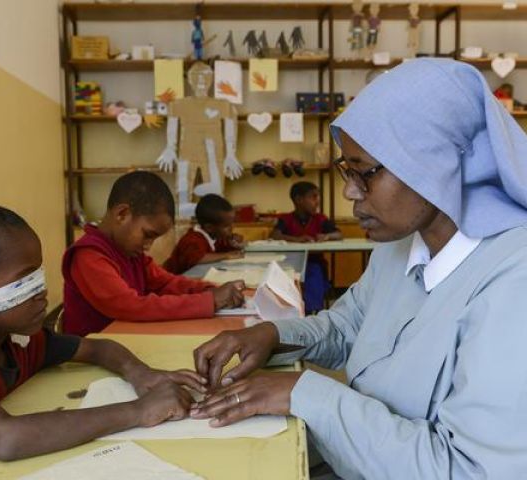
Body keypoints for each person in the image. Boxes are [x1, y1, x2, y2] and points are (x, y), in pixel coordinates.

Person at [190, 58, 527, 478]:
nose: (350, 191)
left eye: (365, 172)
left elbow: (466, 470)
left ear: (434, 163)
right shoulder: (401, 244)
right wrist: (273, 334)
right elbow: (348, 327)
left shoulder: (514, 283)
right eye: (346, 169)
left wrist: (306, 393)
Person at [0, 200, 206, 460]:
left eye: (38, 275)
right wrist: (138, 410)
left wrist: (142, 374)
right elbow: (5, 438)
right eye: (24, 281)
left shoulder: (16, 339)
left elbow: (99, 348)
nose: (42, 292)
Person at [62, 172, 245, 337]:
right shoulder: (88, 255)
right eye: (148, 235)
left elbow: (167, 283)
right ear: (122, 214)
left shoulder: (132, 253)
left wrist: (210, 289)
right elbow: (130, 306)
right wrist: (208, 301)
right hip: (91, 360)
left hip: (127, 341)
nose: (148, 246)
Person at [271, 181, 342, 313]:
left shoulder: (320, 219)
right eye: (313, 197)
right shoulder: (286, 219)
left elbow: (338, 234)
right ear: (299, 200)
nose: (317, 201)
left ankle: (312, 313)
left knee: (313, 274)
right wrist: (296, 240)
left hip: (314, 263)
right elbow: (275, 235)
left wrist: (327, 236)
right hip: (289, 264)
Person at [164, 194, 244, 275]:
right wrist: (226, 255)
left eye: (232, 223)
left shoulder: (214, 235)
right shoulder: (192, 240)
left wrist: (232, 244)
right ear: (209, 227)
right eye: (226, 226)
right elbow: (198, 258)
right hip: (170, 279)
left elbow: (221, 247)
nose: (232, 228)